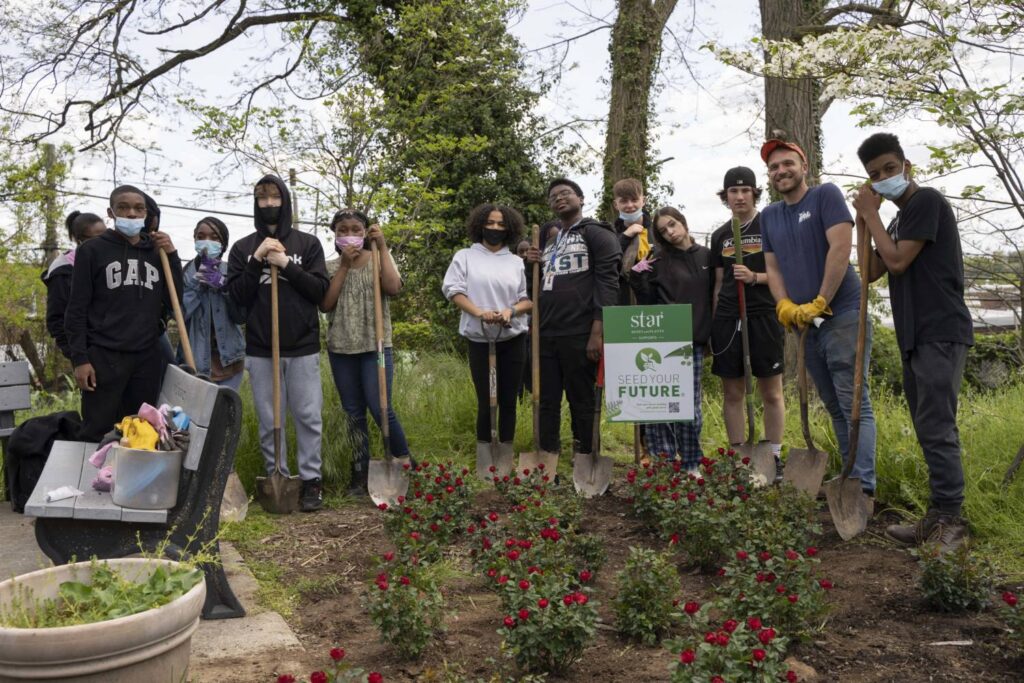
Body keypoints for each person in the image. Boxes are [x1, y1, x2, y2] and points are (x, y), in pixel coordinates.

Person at [853, 132, 973, 550]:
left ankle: (953, 521)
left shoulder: (927, 202)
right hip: (915, 336)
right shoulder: (899, 220)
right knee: (927, 425)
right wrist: (864, 224)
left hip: (940, 331)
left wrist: (871, 215)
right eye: (874, 175)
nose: (884, 177)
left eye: (889, 168)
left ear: (907, 165)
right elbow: (870, 273)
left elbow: (899, 261)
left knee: (937, 426)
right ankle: (937, 514)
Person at [760, 139, 877, 497]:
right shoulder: (769, 216)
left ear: (803, 166)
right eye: (774, 167)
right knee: (833, 404)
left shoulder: (825, 195)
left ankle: (864, 484)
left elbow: (841, 247)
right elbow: (772, 267)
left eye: (787, 163)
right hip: (804, 323)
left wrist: (822, 299)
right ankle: (849, 478)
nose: (781, 171)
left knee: (853, 400)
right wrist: (784, 306)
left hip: (841, 312)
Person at [227, 175, 329, 511]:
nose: (268, 203)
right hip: (260, 348)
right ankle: (277, 476)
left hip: (302, 346)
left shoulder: (307, 244)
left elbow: (319, 292)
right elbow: (237, 299)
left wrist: (285, 264)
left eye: (274, 197)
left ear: (285, 200)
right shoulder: (242, 249)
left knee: (308, 415)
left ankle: (311, 481)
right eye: (261, 198)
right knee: (272, 418)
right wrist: (257, 259)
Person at [65, 185, 183, 442]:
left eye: (138, 208)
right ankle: (88, 481)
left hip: (146, 356)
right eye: (124, 207)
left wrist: (172, 256)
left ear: (146, 214)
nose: (131, 214)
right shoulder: (92, 251)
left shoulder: (157, 252)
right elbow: (76, 309)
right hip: (104, 357)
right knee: (97, 428)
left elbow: (175, 300)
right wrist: (80, 359)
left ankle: (134, 481)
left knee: (142, 431)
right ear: (111, 212)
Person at [523, 179, 620, 457]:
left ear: (581, 198)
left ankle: (586, 457)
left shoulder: (597, 233)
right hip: (546, 332)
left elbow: (608, 282)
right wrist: (531, 265)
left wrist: (597, 332)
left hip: (581, 331)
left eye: (566, 193)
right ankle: (547, 461)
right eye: (554, 196)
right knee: (546, 401)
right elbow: (539, 288)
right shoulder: (550, 241)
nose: (560, 198)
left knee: (582, 400)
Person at [320, 208, 412, 497]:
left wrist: (382, 245)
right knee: (352, 412)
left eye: (356, 230)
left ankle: (405, 463)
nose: (349, 236)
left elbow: (393, 287)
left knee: (381, 407)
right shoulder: (330, 267)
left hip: (376, 347)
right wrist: (345, 266)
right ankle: (359, 473)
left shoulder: (377, 259)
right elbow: (326, 304)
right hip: (342, 348)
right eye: (342, 231)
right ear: (334, 236)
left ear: (365, 232)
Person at [709, 167, 786, 480]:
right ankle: (739, 455)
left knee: (772, 392)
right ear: (725, 196)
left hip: (764, 313)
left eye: (745, 191)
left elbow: (785, 274)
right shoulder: (720, 235)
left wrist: (755, 277)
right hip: (729, 318)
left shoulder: (770, 226)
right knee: (733, 392)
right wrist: (715, 323)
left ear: (755, 193)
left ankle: (774, 455)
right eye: (733, 191)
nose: (739, 197)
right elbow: (716, 285)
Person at [442, 204, 532, 459]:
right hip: (479, 338)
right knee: (486, 399)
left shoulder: (515, 261)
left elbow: (527, 300)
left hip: (513, 338)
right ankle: (485, 452)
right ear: (480, 225)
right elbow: (453, 290)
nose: (495, 228)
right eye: (490, 223)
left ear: (509, 229)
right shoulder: (465, 256)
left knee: (508, 400)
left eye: (501, 224)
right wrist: (480, 312)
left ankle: (505, 452)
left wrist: (510, 312)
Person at [631, 207, 714, 471]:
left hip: (694, 342)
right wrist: (637, 274)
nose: (670, 232)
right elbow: (647, 299)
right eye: (664, 230)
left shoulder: (707, 257)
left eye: (673, 224)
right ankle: (664, 464)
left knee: (690, 408)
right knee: (660, 407)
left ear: (683, 222)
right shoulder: (659, 259)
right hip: (663, 340)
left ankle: (691, 463)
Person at [181, 216, 246, 391]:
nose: (206, 242)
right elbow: (179, 315)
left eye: (214, 237)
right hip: (196, 360)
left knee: (224, 412)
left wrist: (224, 287)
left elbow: (241, 315)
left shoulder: (232, 270)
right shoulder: (186, 273)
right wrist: (198, 283)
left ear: (223, 243)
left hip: (230, 359)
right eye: (201, 237)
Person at [42, 211, 106, 362]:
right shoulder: (63, 271)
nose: (104, 243)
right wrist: (78, 357)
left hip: (114, 348)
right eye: (98, 239)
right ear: (80, 240)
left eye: (106, 236)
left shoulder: (107, 262)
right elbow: (56, 319)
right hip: (88, 353)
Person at [612, 178, 654, 306]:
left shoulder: (658, 231)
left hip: (656, 304)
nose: (630, 205)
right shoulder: (609, 234)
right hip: (622, 303)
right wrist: (625, 237)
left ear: (643, 201)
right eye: (624, 201)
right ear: (616, 204)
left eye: (634, 200)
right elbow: (607, 264)